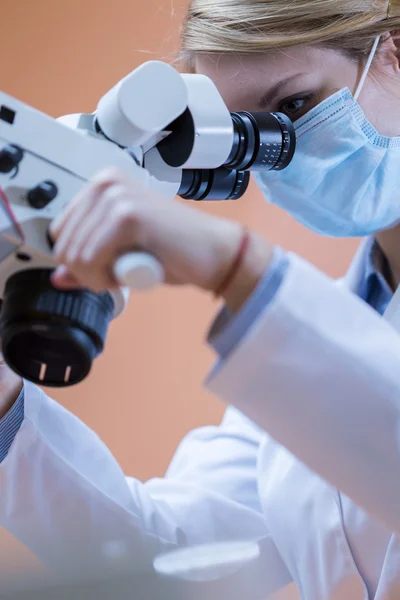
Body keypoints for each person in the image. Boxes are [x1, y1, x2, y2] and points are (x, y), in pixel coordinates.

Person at [1, 0, 400, 598]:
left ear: (393, 56)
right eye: (248, 134)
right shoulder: (330, 322)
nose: (279, 152)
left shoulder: (291, 320)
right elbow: (173, 556)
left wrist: (235, 266)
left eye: (293, 106)